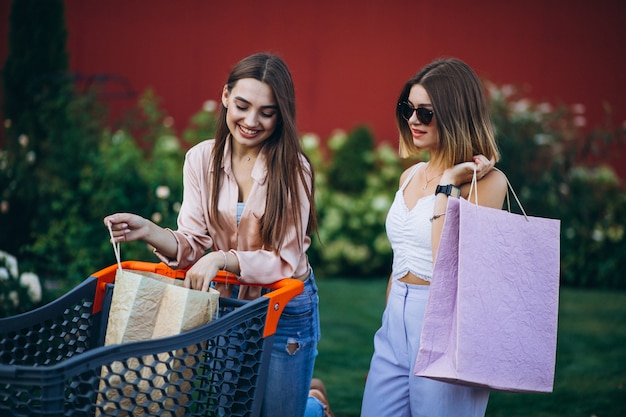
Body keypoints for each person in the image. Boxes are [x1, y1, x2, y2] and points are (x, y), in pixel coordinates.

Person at [105, 52, 332, 417]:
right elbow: (192, 245)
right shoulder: (200, 159)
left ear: (281, 114)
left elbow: (285, 260)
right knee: (231, 410)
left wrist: (222, 258)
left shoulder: (293, 169)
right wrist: (148, 230)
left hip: (286, 306)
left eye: (267, 112)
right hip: (228, 304)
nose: (251, 121)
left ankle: (313, 406)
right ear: (226, 96)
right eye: (242, 105)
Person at [360, 57, 508, 417]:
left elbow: (447, 261)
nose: (412, 120)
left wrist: (450, 184)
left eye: (425, 113)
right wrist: (391, 319)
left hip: (447, 325)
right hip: (395, 324)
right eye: (407, 109)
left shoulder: (487, 183)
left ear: (455, 114)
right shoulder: (410, 176)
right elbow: (402, 258)